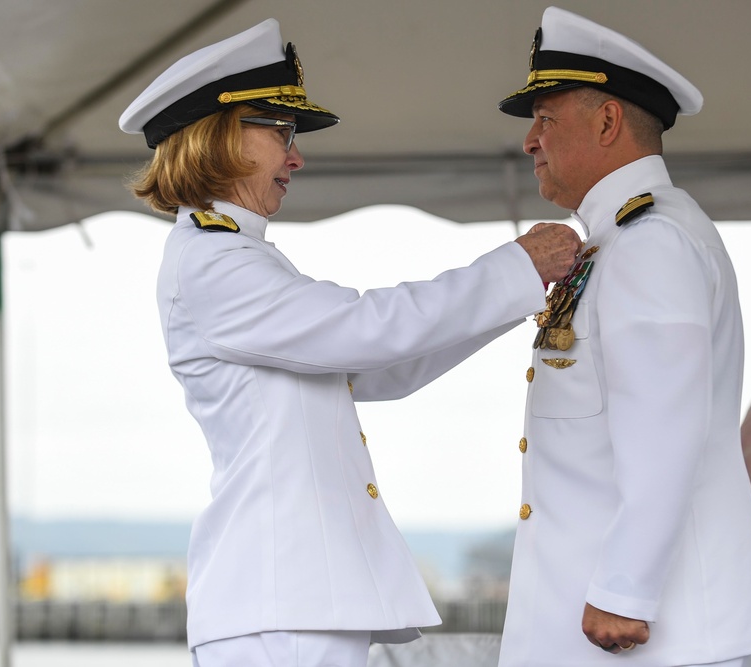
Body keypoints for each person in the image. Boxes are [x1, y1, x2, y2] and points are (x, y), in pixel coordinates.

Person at [117, 18, 580, 667]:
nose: (296, 156)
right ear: (219, 136)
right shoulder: (214, 263)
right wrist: (513, 267)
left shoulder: (233, 256)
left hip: (291, 603)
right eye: (278, 131)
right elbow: (364, 328)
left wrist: (520, 289)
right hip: (279, 607)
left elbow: (381, 366)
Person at [494, 7, 751, 666]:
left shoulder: (650, 242)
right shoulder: (619, 238)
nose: (529, 140)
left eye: (546, 118)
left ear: (607, 122)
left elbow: (665, 426)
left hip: (650, 638)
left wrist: (626, 590)